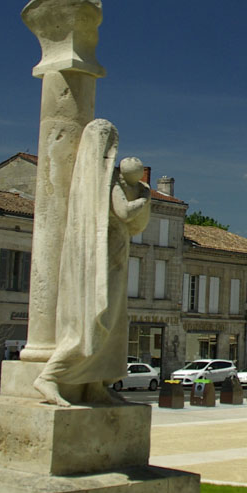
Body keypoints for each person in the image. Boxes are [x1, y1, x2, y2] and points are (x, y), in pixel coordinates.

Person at [33, 120, 150, 406]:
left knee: (113, 322)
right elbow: (123, 213)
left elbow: (134, 225)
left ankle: (95, 382)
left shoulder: (113, 184)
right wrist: (145, 198)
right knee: (97, 321)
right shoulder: (104, 186)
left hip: (117, 256)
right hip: (103, 259)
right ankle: (49, 375)